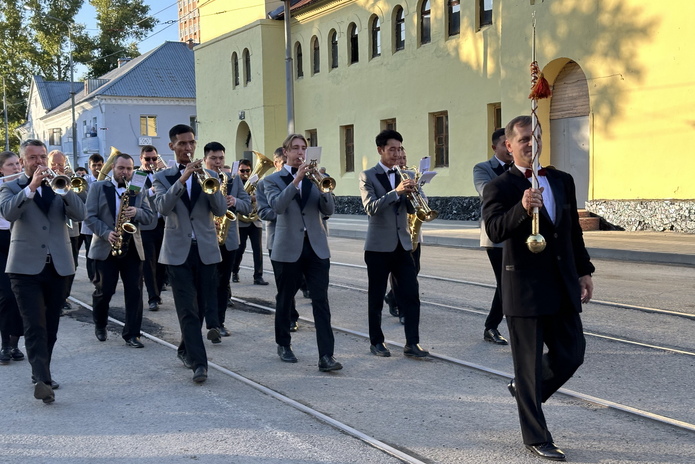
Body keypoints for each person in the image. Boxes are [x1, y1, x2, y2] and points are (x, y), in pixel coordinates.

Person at [482, 115, 594, 461]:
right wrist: (522, 207)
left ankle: (527, 392)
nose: (531, 144)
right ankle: (536, 435)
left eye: (535, 137)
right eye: (523, 139)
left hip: (561, 285)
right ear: (509, 146)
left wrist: (584, 270)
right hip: (525, 288)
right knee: (527, 366)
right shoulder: (499, 186)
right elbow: (496, 230)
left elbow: (572, 229)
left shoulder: (561, 179)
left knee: (571, 353)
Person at [0, 139, 86, 403]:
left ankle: (42, 371)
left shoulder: (59, 185)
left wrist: (65, 188)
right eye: (33, 158)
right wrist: (32, 187)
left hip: (58, 265)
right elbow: (8, 212)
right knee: (34, 323)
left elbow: (80, 213)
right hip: (25, 267)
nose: (39, 162)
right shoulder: (10, 187)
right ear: (23, 161)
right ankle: (42, 379)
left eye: (42, 157)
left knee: (51, 325)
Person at [259, 133, 342, 372]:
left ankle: (326, 355)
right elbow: (277, 207)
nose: (300, 153)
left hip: (316, 246)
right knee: (285, 298)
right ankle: (283, 344)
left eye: (303, 148)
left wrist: (324, 188)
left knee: (320, 301)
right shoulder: (272, 181)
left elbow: (328, 210)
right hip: (287, 247)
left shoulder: (318, 177)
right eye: (295, 148)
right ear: (285, 152)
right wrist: (296, 181)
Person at [153, 124, 228, 383]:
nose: (188, 148)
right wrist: (182, 179)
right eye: (182, 144)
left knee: (204, 308)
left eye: (191, 143)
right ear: (172, 146)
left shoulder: (210, 175)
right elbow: (162, 208)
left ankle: (186, 348)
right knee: (187, 308)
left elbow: (219, 211)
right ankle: (200, 364)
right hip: (177, 252)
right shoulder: (162, 177)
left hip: (206, 249)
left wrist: (213, 185)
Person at [359, 129, 428, 358]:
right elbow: (370, 207)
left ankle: (412, 343)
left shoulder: (406, 173)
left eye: (400, 149)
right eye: (392, 149)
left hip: (404, 245)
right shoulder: (367, 175)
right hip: (378, 247)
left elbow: (415, 208)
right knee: (376, 297)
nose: (397, 154)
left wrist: (415, 193)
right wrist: (396, 192)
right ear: (380, 150)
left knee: (411, 295)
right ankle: (377, 342)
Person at [85, 153, 154, 347]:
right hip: (106, 246)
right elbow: (89, 216)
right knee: (104, 291)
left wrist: (137, 212)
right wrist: (106, 233)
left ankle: (133, 334)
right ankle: (100, 323)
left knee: (134, 292)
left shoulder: (138, 188)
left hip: (132, 247)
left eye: (129, 169)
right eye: (121, 168)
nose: (125, 172)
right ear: (113, 168)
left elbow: (150, 216)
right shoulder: (98, 187)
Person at [202, 141, 251, 337]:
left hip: (228, 238)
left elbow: (247, 205)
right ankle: (211, 322)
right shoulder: (200, 178)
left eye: (221, 158)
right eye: (213, 158)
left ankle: (219, 322)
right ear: (205, 159)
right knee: (208, 282)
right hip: (206, 238)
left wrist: (235, 201)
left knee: (223, 282)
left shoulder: (233, 180)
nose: (217, 162)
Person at [473, 128, 513, 345]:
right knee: (505, 283)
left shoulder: (521, 167)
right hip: (496, 237)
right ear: (494, 147)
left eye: (511, 144)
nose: (509, 148)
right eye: (504, 144)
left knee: (516, 282)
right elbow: (487, 192)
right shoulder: (483, 168)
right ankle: (491, 326)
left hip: (519, 234)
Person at [257, 147, 300, 333]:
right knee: (284, 285)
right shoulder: (266, 183)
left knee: (298, 281)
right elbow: (263, 212)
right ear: (276, 164)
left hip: (299, 239)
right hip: (278, 240)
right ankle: (290, 316)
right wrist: (283, 213)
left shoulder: (301, 179)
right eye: (283, 163)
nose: (286, 167)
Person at [47, 150, 84, 312]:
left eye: (60, 164)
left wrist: (67, 184)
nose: (56, 167)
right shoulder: (44, 181)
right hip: (55, 232)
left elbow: (82, 204)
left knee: (72, 265)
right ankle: (57, 298)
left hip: (72, 230)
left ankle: (64, 296)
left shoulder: (70, 180)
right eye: (53, 164)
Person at [0, 151, 25, 365]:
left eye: (18, 164)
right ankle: (5, 344)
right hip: (0, 242)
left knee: (20, 296)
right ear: (1, 169)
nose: (16, 168)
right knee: (7, 296)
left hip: (21, 240)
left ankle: (15, 343)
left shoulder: (25, 185)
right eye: (11, 165)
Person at [138, 145, 167, 311]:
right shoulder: (137, 175)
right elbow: (134, 195)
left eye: (154, 159)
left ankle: (158, 291)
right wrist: (150, 191)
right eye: (147, 159)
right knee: (149, 263)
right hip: (147, 225)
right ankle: (152, 297)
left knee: (162, 261)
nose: (151, 162)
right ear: (141, 159)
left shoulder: (163, 173)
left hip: (164, 223)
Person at [231, 159, 269, 285]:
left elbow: (262, 196)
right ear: (238, 171)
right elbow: (234, 199)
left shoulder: (255, 182)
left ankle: (258, 276)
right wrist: (248, 198)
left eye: (248, 170)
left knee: (257, 250)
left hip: (255, 220)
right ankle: (235, 271)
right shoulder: (235, 183)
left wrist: (255, 198)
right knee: (240, 249)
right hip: (241, 221)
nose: (245, 173)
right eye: (242, 171)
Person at [80, 153, 105, 283]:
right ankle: (92, 276)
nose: (96, 168)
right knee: (90, 251)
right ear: (89, 167)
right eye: (94, 165)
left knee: (102, 251)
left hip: (104, 222)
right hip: (89, 224)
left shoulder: (107, 180)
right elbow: (84, 199)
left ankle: (101, 275)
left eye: (99, 165)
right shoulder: (84, 181)